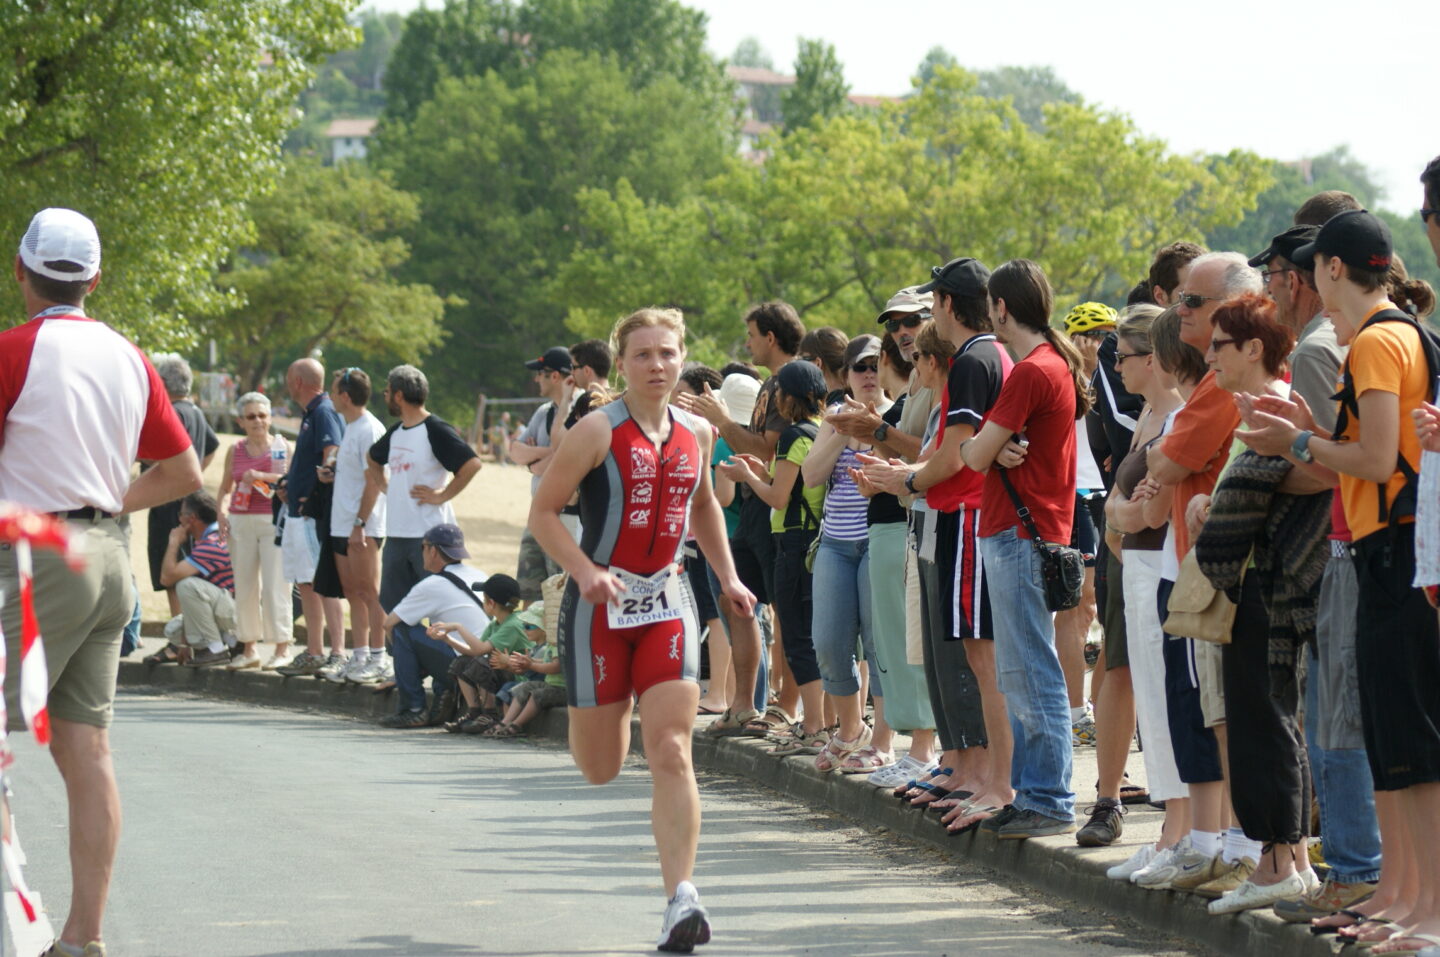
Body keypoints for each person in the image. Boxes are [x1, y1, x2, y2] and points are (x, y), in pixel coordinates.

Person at [1, 207, 202, 957]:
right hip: (111, 556)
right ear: (94, 278)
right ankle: (82, 937)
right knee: (86, 750)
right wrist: (106, 502)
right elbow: (183, 471)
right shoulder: (128, 355)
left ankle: (18, 922)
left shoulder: (13, 351)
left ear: (20, 270)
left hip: (36, 552)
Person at [1239, 210, 1440, 951]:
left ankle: (1427, 906)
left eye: (1305, 269)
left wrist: (1293, 436)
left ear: (1330, 268)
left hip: (1397, 551)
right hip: (1385, 549)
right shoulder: (1384, 338)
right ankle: (1410, 898)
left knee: (1412, 741)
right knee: (1393, 740)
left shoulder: (1379, 340)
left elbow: (1379, 461)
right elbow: (1350, 464)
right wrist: (1303, 428)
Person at [529, 307, 755, 953]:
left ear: (683, 357)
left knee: (672, 749)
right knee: (601, 766)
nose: (657, 364)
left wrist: (729, 577)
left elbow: (705, 505)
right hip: (598, 606)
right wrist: (583, 571)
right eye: (643, 354)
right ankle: (611, 704)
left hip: (667, 599)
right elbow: (543, 511)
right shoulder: (595, 431)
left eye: (668, 352)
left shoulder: (697, 432)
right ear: (621, 362)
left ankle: (681, 897)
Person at [861, 258, 1014, 828]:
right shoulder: (983, 356)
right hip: (959, 516)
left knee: (979, 657)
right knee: (967, 654)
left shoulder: (976, 356)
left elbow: (953, 455)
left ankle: (991, 776)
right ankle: (973, 770)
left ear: (947, 304)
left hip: (967, 517)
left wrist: (903, 479)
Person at [1133, 251, 1262, 891]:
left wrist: (1159, 453)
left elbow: (1167, 465)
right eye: (1179, 301)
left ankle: (1237, 843)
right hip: (1195, 559)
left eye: (1193, 301)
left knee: (1221, 711)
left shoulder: (1221, 389)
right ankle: (1221, 841)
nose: (1180, 311)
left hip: (1216, 565)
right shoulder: (1214, 384)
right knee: (1203, 709)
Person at [1192, 294, 1322, 915]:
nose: (1209, 355)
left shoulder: (1273, 408)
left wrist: (1215, 514)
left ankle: (1275, 863)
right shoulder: (1259, 407)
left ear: (1253, 348)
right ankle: (1290, 861)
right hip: (1255, 583)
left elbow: (1272, 491)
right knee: (1268, 720)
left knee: (1260, 722)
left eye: (1219, 344)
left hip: (1264, 585)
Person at [957, 258, 1086, 840]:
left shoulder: (1033, 370)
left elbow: (974, 455)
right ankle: (1038, 792)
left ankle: (1050, 797)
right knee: (1024, 670)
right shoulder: (1053, 363)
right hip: (1028, 532)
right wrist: (997, 443)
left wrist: (991, 443)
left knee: (1031, 673)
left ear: (1002, 307)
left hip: (1018, 534)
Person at [675, 302, 804, 738]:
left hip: (777, 511)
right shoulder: (770, 383)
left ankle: (786, 706)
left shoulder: (791, 382)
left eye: (751, 334)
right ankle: (743, 705)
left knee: (783, 613)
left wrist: (722, 421)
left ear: (770, 336)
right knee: (740, 606)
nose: (747, 343)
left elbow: (770, 448)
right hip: (753, 511)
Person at [1101, 307, 1189, 868]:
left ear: (1152, 358)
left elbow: (1147, 513)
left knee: (1164, 698)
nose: (1114, 366)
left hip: (1157, 566)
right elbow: (1119, 502)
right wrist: (1118, 512)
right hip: (1134, 567)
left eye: (1122, 356)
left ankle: (1180, 830)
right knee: (1153, 703)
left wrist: (1118, 513)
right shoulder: (1148, 414)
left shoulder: (1177, 413)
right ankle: (1171, 832)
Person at [717, 361, 829, 756]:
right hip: (812, 539)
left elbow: (779, 498)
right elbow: (789, 484)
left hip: (794, 540)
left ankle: (812, 726)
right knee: (808, 635)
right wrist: (760, 471)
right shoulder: (818, 431)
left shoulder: (793, 435)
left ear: (784, 398)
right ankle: (817, 724)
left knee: (798, 637)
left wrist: (749, 478)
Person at [362, 364, 482, 709]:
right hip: (397, 533)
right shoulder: (397, 431)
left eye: (387, 391)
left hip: (428, 537)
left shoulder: (434, 429)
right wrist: (384, 485)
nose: (385, 396)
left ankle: (449, 688)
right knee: (395, 609)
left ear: (399, 395)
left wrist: (443, 495)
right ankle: (409, 683)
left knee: (436, 616)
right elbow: (372, 457)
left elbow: (471, 464)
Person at [801, 335, 894, 773]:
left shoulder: (897, 415)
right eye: (861, 367)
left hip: (880, 540)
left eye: (877, 365)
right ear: (846, 376)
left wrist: (873, 431)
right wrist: (845, 430)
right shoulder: (834, 417)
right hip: (836, 543)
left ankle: (883, 740)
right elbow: (811, 476)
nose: (870, 375)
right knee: (829, 640)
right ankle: (850, 729)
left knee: (880, 645)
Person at [273, 358, 347, 676]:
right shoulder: (311, 413)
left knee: (323, 582)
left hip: (311, 514)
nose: (288, 384)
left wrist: (314, 491)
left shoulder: (324, 411)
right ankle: (315, 651)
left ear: (299, 382)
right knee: (305, 582)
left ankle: (338, 652)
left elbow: (332, 450)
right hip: (297, 511)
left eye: (290, 378)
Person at [377, 523, 486, 728]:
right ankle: (443, 691)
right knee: (436, 632)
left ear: (432, 550)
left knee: (403, 630)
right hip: (490, 668)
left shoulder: (431, 585)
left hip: (464, 667)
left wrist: (407, 664)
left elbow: (389, 625)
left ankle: (413, 709)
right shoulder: (479, 574)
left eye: (422, 547)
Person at [214, 391, 294, 670]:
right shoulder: (235, 450)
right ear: (241, 422)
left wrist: (261, 477)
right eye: (251, 417)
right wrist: (221, 513)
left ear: (270, 418)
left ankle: (282, 647)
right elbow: (225, 487)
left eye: (262, 415)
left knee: (276, 585)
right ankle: (249, 648)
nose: (258, 421)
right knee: (245, 585)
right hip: (241, 521)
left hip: (273, 521)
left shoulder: (283, 447)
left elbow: (292, 482)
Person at [320, 367, 389, 684]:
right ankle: (359, 655)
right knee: (352, 591)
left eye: (334, 391)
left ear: (345, 396)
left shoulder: (369, 429)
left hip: (363, 526)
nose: (330, 396)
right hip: (341, 523)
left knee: (369, 592)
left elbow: (375, 482)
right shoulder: (350, 427)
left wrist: (360, 522)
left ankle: (379, 657)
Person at [145, 353, 219, 619]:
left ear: (162, 382)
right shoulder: (195, 412)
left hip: (170, 505)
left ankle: (181, 637)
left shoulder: (172, 413)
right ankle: (186, 634)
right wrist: (193, 474)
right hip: (190, 501)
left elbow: (156, 454)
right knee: (187, 567)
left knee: (172, 571)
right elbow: (211, 447)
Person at [429, 574, 534, 733]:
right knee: (462, 662)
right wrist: (447, 639)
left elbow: (479, 650)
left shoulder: (513, 624)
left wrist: (458, 627)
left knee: (482, 664)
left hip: (519, 675)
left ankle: (490, 714)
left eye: (484, 599)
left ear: (491, 603)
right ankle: (474, 712)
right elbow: (474, 651)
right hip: (504, 671)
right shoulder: (497, 623)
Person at [510, 346, 574, 602]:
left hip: (564, 520)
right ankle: (532, 643)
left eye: (540, 373)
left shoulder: (579, 409)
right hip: (537, 515)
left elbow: (571, 459)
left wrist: (538, 456)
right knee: (528, 592)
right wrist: (553, 453)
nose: (536, 379)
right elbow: (515, 451)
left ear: (555, 376)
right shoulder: (544, 412)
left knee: (556, 597)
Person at [158, 491, 235, 667]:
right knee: (174, 630)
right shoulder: (209, 538)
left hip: (237, 616)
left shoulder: (213, 542)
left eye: (181, 514)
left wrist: (173, 543)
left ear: (192, 518)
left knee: (187, 586)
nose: (179, 520)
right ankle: (228, 644)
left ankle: (216, 649)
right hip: (229, 611)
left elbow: (167, 578)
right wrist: (184, 644)